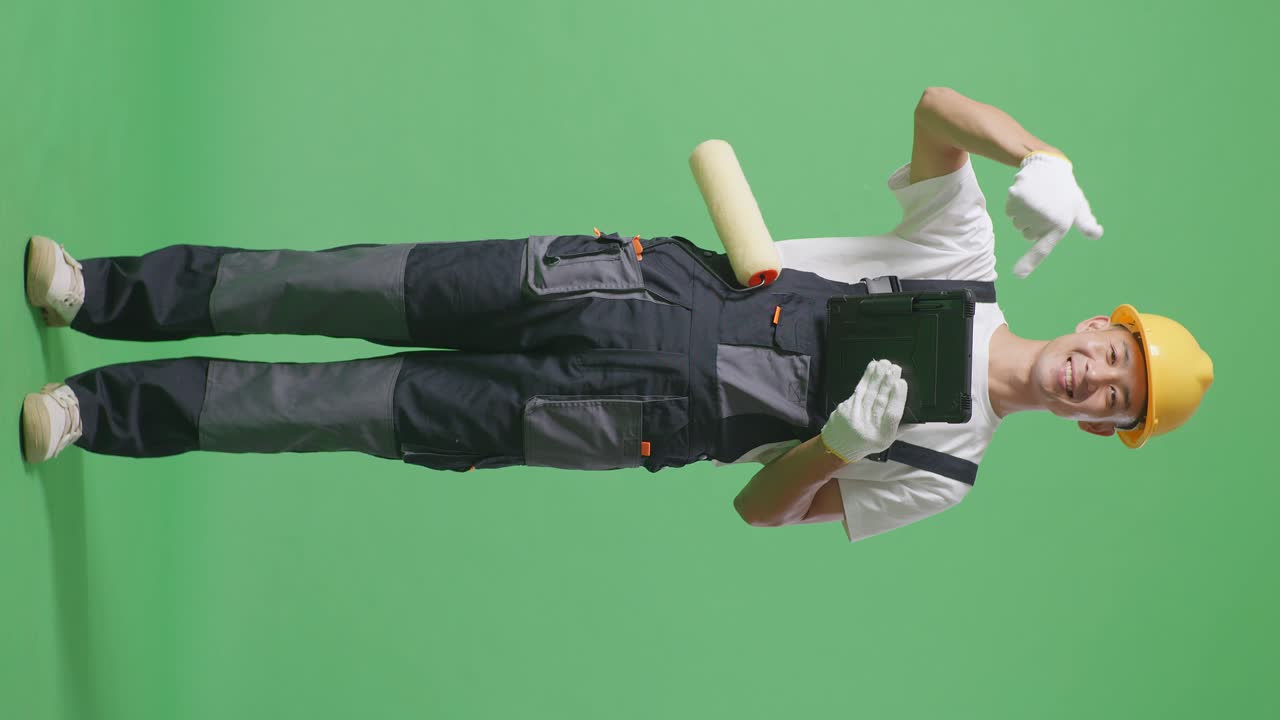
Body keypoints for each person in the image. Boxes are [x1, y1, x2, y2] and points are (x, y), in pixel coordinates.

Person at [20, 87, 1213, 542]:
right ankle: (100, 293)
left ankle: (93, 409)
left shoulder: (941, 474)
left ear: (1099, 427)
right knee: (333, 280)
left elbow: (761, 510)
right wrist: (1037, 150)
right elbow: (935, 108)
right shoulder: (960, 255)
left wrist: (834, 448)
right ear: (1099, 325)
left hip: (606, 417)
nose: (1095, 378)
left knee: (329, 407)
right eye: (1114, 356)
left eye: (1116, 399)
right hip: (617, 285)